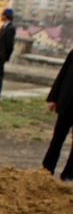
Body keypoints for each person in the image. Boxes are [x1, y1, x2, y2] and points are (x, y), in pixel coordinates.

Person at [42, 47, 73, 181]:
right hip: (67, 104)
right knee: (57, 139)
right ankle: (47, 169)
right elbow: (62, 75)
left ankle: (68, 174)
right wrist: (53, 98)